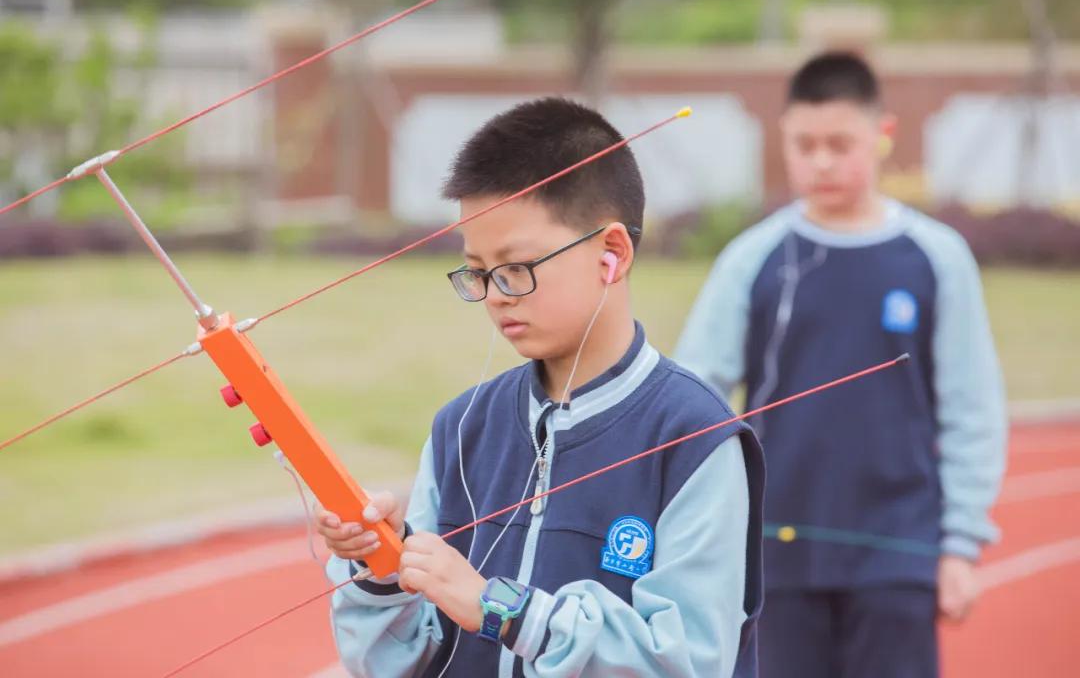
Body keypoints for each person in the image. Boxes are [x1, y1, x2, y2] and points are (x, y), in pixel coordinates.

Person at [315, 97, 765, 677]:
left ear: (611, 254)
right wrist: (384, 568)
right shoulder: (461, 428)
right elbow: (397, 661)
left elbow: (689, 661)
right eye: (477, 272)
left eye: (516, 267)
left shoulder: (694, 437)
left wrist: (505, 611)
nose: (497, 294)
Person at [674, 51, 1007, 677]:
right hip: (774, 551)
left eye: (839, 143)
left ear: (882, 135)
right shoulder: (755, 258)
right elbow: (696, 396)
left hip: (898, 550)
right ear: (783, 140)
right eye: (805, 144)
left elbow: (971, 406)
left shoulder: (935, 257)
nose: (821, 160)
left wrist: (960, 546)